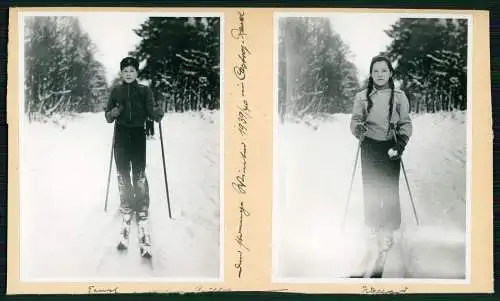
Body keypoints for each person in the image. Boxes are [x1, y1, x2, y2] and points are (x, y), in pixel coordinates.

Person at [350, 55, 413, 262]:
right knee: (371, 186)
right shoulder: (361, 97)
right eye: (375, 71)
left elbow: (405, 123)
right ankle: (373, 225)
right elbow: (355, 120)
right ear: (371, 74)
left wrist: (401, 143)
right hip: (369, 146)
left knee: (388, 186)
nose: (379, 75)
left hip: (390, 146)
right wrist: (358, 129)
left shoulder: (400, 97)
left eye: (384, 71)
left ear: (390, 73)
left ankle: (389, 227)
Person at [104, 56, 164, 258]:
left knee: (138, 172)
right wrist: (114, 111)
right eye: (125, 71)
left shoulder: (144, 91)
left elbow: (152, 113)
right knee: (122, 173)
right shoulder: (116, 91)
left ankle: (142, 206)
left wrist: (158, 113)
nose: (128, 74)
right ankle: (127, 204)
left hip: (138, 134)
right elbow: (107, 117)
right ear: (121, 73)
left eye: (132, 70)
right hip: (120, 135)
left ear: (137, 73)